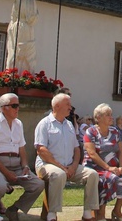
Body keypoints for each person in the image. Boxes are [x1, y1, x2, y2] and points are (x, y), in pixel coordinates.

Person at [35, 93, 97, 221]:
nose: (71, 107)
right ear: (57, 106)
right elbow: (41, 150)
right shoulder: (44, 124)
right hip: (47, 165)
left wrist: (74, 166)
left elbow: (76, 149)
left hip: (69, 166)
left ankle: (87, 212)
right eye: (67, 104)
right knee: (59, 174)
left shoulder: (69, 125)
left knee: (92, 174)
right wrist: (61, 167)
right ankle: (52, 214)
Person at [0, 93, 44, 221]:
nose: (18, 108)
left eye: (18, 105)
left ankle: (13, 209)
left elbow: (22, 148)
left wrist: (25, 166)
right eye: (14, 105)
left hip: (17, 165)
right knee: (0, 187)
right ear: (3, 107)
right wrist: (6, 172)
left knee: (38, 184)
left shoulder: (18, 124)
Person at [82, 103, 122, 221]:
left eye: (111, 115)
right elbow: (92, 153)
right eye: (108, 115)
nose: (111, 117)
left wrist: (121, 167)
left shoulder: (114, 131)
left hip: (113, 167)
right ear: (98, 118)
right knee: (109, 178)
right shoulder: (91, 132)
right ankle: (100, 212)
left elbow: (121, 151)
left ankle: (117, 210)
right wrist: (108, 168)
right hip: (94, 167)